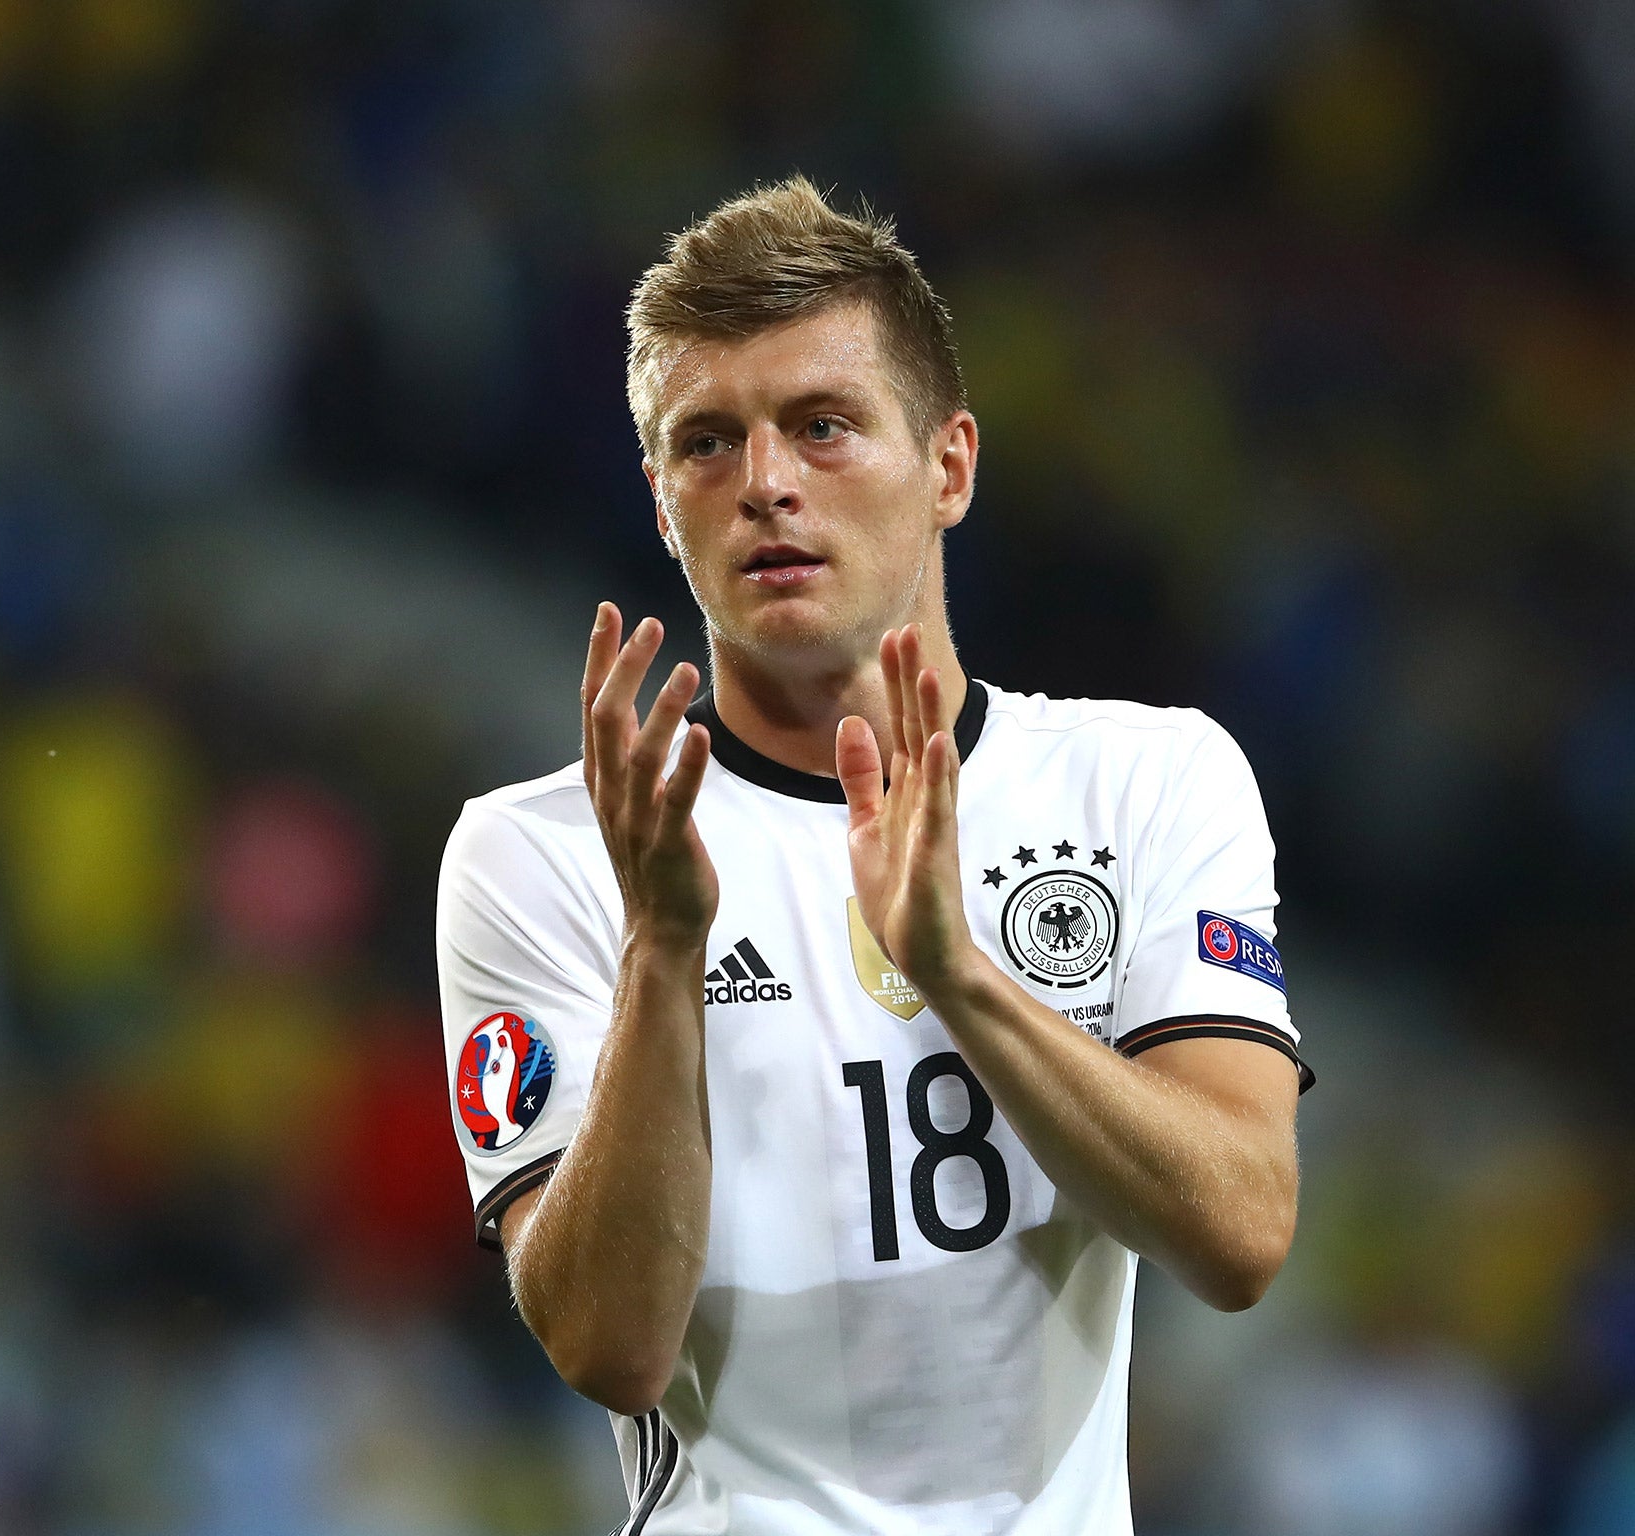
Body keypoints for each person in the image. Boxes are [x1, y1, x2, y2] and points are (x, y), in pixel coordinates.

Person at [435, 177, 1310, 1535]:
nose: (766, 483)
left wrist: (959, 974)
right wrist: (662, 948)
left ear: (949, 465)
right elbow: (608, 1349)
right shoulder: (541, 855)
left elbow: (1243, 1231)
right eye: (707, 444)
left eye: (822, 426)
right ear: (662, 506)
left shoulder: (1147, 780)